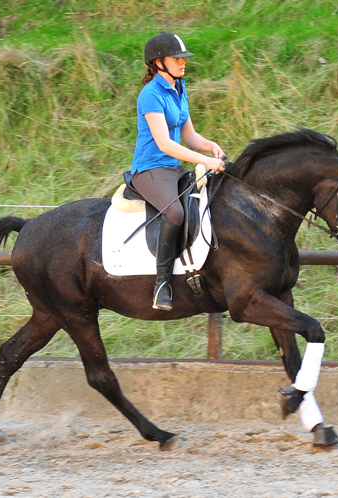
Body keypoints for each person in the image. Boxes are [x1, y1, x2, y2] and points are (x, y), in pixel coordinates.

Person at [131, 31, 226, 311]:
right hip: (150, 169)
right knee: (175, 212)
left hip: (173, 167)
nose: (183, 63)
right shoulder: (149, 95)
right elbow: (165, 144)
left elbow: (189, 135)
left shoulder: (179, 89)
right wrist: (204, 162)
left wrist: (210, 146)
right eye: (177, 59)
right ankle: (162, 284)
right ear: (159, 62)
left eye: (184, 59)